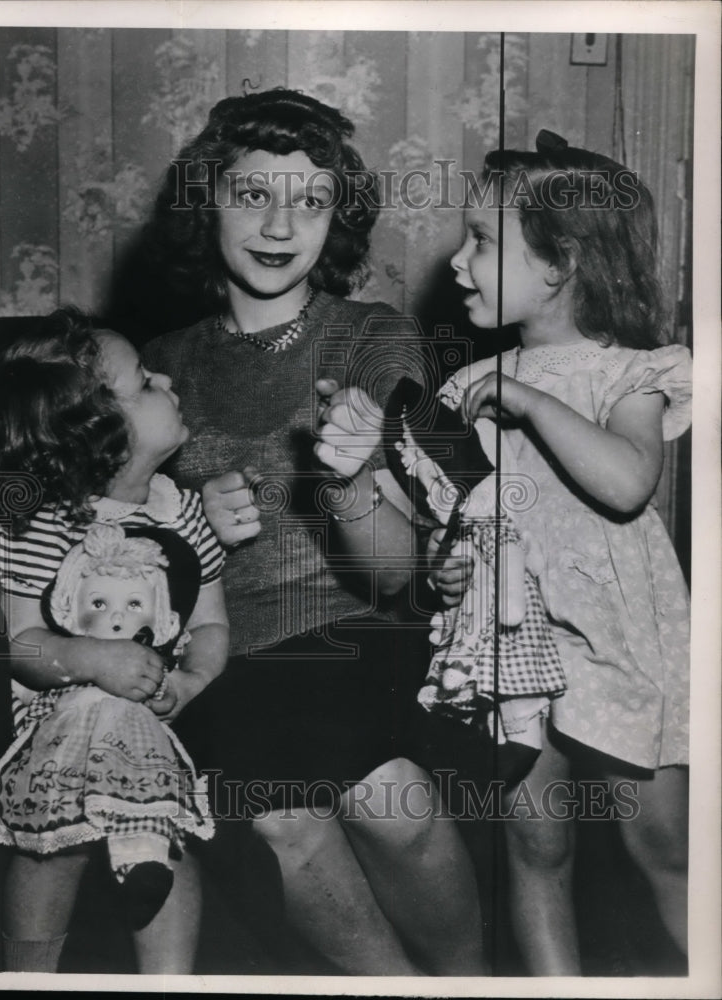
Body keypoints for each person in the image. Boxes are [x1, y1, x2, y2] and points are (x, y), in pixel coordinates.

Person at [319, 130, 691, 975]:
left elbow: (627, 482)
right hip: (513, 644)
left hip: (617, 646)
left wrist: (525, 400)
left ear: (560, 262)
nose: (457, 261)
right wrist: (439, 555)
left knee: (661, 847)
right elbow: (454, 518)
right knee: (534, 846)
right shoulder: (463, 389)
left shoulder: (629, 375)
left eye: (482, 241)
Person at [141, 88, 484, 976]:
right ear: (207, 200)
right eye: (253, 193)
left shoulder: (370, 337)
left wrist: (351, 478)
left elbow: (391, 577)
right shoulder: (155, 366)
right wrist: (185, 531)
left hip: (352, 628)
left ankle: (477, 986)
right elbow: (104, 552)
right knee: (278, 813)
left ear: (336, 220)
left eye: (311, 199)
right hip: (218, 652)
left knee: (386, 791)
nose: (281, 223)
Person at [0, 308, 229, 973]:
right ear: (97, 433)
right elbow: (26, 646)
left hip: (159, 714)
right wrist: (91, 660)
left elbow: (209, 623)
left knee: (166, 836)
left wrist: (191, 680)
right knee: (49, 845)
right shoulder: (41, 525)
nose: (168, 379)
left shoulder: (181, 512)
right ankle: (27, 974)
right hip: (57, 722)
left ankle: (167, 979)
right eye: (146, 382)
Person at [383, 376, 566, 783]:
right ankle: (488, 725)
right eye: (429, 486)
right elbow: (443, 578)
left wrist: (505, 604)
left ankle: (522, 729)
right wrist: (443, 582)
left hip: (503, 618)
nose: (435, 494)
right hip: (472, 617)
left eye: (441, 482)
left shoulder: (497, 526)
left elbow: (513, 587)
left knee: (513, 679)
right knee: (476, 681)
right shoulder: (459, 529)